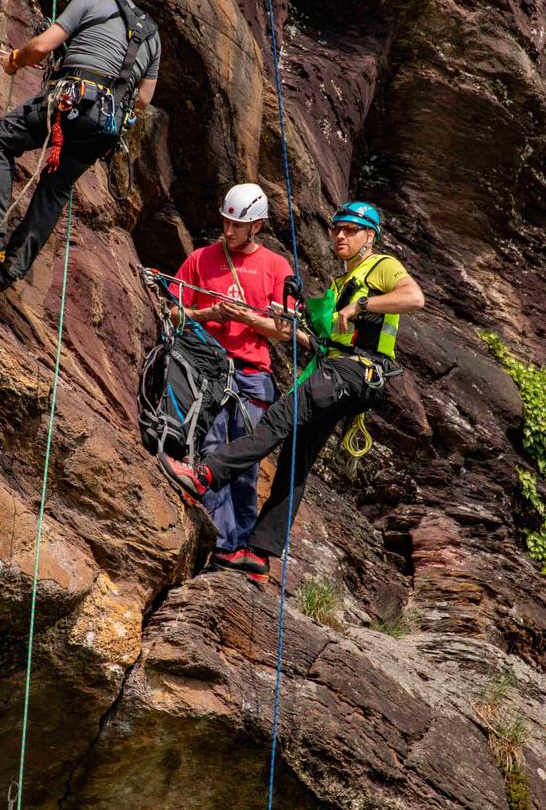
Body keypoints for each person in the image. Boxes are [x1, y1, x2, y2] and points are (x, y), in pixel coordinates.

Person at [160, 200, 425, 583]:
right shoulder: (339, 284)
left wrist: (362, 305)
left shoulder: (381, 266)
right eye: (337, 228)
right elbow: (318, 342)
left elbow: (414, 297)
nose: (340, 235)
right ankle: (258, 554)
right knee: (295, 460)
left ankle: (205, 475)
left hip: (353, 371)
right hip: (343, 371)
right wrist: (271, 322)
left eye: (351, 230)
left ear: (370, 236)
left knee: (276, 421)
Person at [0, 0, 161, 295]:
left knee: (0, 141)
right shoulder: (152, 34)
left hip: (70, 100)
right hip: (106, 125)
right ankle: (6, 273)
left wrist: (16, 60)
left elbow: (43, 46)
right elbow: (143, 100)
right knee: (55, 190)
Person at [168, 183, 306, 571]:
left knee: (246, 458)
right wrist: (207, 315)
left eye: (236, 226)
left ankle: (244, 545)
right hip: (208, 367)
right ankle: (222, 543)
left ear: (256, 227)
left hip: (252, 372)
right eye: (225, 222)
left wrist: (247, 318)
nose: (228, 232)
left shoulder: (277, 267)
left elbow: (286, 330)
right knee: (211, 451)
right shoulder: (200, 259)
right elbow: (173, 310)